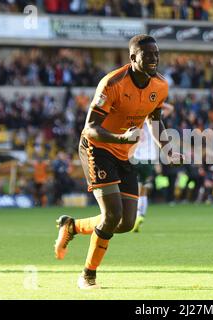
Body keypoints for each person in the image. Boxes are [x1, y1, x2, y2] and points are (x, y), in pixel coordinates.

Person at [53, 34, 183, 289]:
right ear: (133, 58)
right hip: (96, 148)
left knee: (126, 222)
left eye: (157, 54)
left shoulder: (160, 86)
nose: (154, 59)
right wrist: (120, 137)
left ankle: (71, 227)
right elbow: (90, 128)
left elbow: (154, 120)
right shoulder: (111, 84)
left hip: (123, 152)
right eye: (148, 55)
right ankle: (87, 276)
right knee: (112, 214)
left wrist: (167, 149)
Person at [131, 102, 174, 233]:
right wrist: (156, 102)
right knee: (143, 190)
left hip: (134, 156)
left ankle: (133, 216)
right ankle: (140, 216)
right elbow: (170, 109)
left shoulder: (133, 117)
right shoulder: (153, 117)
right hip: (149, 157)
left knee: (133, 189)